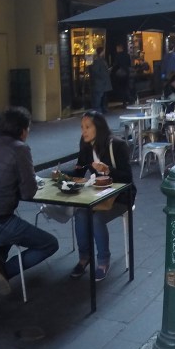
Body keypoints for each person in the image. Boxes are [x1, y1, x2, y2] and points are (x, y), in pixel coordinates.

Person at [0, 106, 58, 294]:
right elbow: (28, 193)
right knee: (49, 244)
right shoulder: (20, 149)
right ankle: (2, 274)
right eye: (28, 129)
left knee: (12, 225)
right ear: (22, 130)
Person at [65, 111, 135, 282]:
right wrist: (62, 174)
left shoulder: (117, 145)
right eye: (82, 127)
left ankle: (103, 261)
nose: (84, 131)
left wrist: (108, 170)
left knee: (97, 219)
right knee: (80, 214)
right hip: (98, 195)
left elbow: (127, 178)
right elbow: (79, 171)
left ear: (99, 127)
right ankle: (84, 258)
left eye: (88, 127)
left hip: (121, 196)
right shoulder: (85, 145)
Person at [89, 47, 112, 112]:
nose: (104, 52)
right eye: (103, 51)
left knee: (103, 96)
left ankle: (102, 108)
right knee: (98, 96)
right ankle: (98, 109)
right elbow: (95, 71)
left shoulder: (101, 60)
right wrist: (103, 75)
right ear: (101, 52)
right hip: (100, 82)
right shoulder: (97, 60)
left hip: (102, 81)